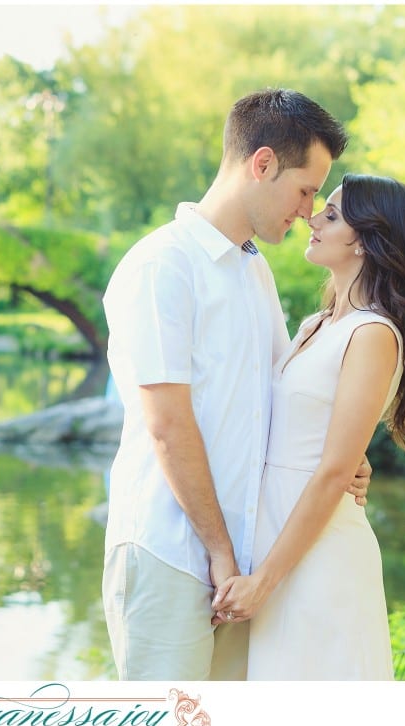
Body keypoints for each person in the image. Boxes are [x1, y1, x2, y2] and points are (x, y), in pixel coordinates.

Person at [101, 88, 371, 681]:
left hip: (242, 564)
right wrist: (220, 554)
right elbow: (168, 426)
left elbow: (280, 396)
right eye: (305, 190)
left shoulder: (255, 271)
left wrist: (343, 456)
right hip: (170, 552)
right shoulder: (161, 266)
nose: (309, 210)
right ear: (263, 163)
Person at [211, 174, 405, 679]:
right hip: (275, 541)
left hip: (319, 558)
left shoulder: (373, 333)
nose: (312, 219)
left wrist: (265, 582)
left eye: (332, 215)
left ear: (364, 239)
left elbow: (335, 470)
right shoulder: (315, 326)